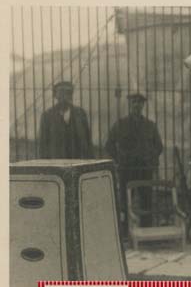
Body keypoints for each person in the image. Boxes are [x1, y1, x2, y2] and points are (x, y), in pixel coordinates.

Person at [105, 93, 163, 230]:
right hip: (127, 169)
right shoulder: (120, 124)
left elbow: (159, 146)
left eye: (140, 102)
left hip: (144, 169)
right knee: (125, 201)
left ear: (143, 105)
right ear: (130, 105)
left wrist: (150, 158)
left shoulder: (150, 125)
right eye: (134, 102)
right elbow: (109, 145)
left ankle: (147, 229)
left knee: (146, 200)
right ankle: (125, 231)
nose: (137, 105)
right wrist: (120, 159)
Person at [39, 81, 94, 159]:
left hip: (77, 159)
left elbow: (87, 140)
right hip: (56, 160)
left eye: (68, 93)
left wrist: (89, 158)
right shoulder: (47, 115)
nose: (64, 96)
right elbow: (43, 143)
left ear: (71, 96)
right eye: (61, 93)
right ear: (55, 96)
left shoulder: (80, 113)